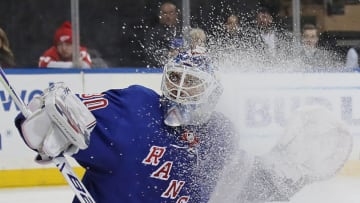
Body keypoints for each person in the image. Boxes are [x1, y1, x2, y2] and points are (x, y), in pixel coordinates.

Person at [14, 51, 352, 202]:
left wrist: (279, 180)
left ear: (212, 93)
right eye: (175, 78)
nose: (178, 89)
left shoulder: (221, 135)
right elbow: (50, 119)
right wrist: (48, 124)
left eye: (191, 83)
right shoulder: (134, 109)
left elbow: (235, 190)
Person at [144, 1, 183, 68]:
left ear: (177, 14)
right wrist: (167, 55)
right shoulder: (153, 34)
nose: (168, 16)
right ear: (160, 15)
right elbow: (150, 54)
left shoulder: (184, 31)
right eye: (164, 13)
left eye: (171, 13)